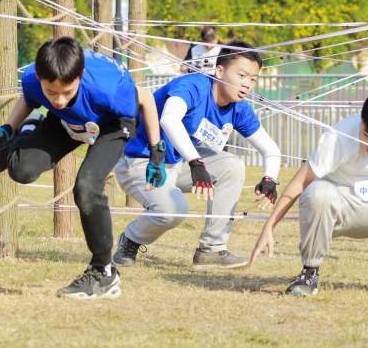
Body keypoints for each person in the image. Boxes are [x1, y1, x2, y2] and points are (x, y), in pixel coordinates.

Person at [0, 37, 163, 299]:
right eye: (51, 92)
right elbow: (30, 98)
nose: (59, 99)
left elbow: (146, 99)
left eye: (67, 91)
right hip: (68, 122)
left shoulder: (108, 87)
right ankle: (24, 133)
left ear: (80, 75)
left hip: (112, 123)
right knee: (21, 171)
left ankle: (103, 272)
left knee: (86, 187)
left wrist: (156, 153)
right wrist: (8, 128)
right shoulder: (33, 78)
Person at [250, 90, 368, 295]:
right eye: (366, 134)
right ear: (362, 121)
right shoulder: (340, 134)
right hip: (340, 206)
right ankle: (309, 273)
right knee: (318, 193)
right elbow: (300, 182)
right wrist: (268, 228)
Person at [113, 41, 281, 269]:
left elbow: (270, 150)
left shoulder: (239, 108)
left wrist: (270, 179)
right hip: (143, 161)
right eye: (242, 75)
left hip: (180, 162)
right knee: (174, 210)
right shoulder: (192, 86)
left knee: (231, 166)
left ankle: (211, 250)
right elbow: (168, 120)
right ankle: (130, 240)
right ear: (219, 71)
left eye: (253, 79)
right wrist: (196, 162)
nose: (247, 84)